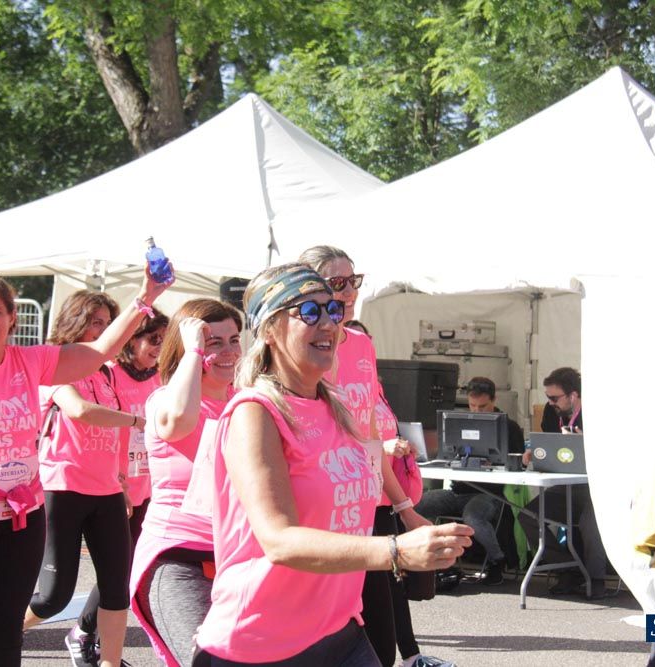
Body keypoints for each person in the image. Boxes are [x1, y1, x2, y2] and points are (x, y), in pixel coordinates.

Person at [192, 263, 473, 666]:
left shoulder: (336, 407)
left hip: (339, 632)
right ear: (270, 329)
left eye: (333, 311)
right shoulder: (256, 413)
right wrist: (395, 550)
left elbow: (369, 476)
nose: (328, 324)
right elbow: (280, 540)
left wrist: (409, 515)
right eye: (309, 312)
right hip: (259, 645)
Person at [0, 269, 168, 666]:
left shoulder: (31, 361)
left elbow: (100, 350)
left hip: (21, 514)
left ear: (12, 317)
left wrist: (145, 297)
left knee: (6, 639)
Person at [300, 245, 450, 667]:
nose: (349, 293)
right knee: (316, 640)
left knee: (381, 640)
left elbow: (367, 432)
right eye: (337, 283)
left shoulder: (362, 343)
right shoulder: (298, 349)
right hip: (319, 511)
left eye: (354, 281)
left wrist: (404, 507)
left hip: (365, 505)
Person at [21, 290, 144, 667]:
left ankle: (109, 662)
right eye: (95, 322)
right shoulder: (54, 365)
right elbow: (79, 411)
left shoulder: (106, 372)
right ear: (74, 321)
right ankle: (1, 635)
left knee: (116, 588)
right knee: (53, 595)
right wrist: (137, 420)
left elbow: (112, 436)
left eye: (107, 324)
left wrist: (121, 482)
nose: (103, 330)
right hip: (62, 488)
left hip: (106, 490)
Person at [129, 298, 242, 667]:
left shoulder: (243, 404)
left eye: (234, 340)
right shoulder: (164, 399)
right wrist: (194, 348)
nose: (228, 351)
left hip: (233, 560)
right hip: (176, 558)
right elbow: (179, 421)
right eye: (215, 342)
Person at [70, 308, 169, 666]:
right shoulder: (109, 375)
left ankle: (89, 635)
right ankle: (83, 632)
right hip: (114, 484)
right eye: (152, 339)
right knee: (118, 569)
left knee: (125, 570)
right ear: (132, 340)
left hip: (150, 483)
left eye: (163, 340)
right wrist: (119, 479)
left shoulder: (160, 379)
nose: (158, 347)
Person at [416, 377, 525, 586]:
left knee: (473, 516)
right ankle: (430, 555)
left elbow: (516, 460)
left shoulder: (509, 427)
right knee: (416, 505)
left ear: (494, 400)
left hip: (490, 493)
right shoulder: (458, 422)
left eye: (483, 407)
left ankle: (497, 561)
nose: (477, 411)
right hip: (458, 491)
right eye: (472, 406)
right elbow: (448, 455)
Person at [519, 367, 607, 599]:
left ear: (573, 395)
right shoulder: (552, 412)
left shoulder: (599, 414)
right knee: (527, 515)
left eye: (554, 398)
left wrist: (586, 445)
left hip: (596, 488)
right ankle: (569, 568)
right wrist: (533, 452)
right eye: (548, 398)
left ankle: (597, 579)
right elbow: (550, 446)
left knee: (590, 523)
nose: (550, 403)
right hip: (566, 485)